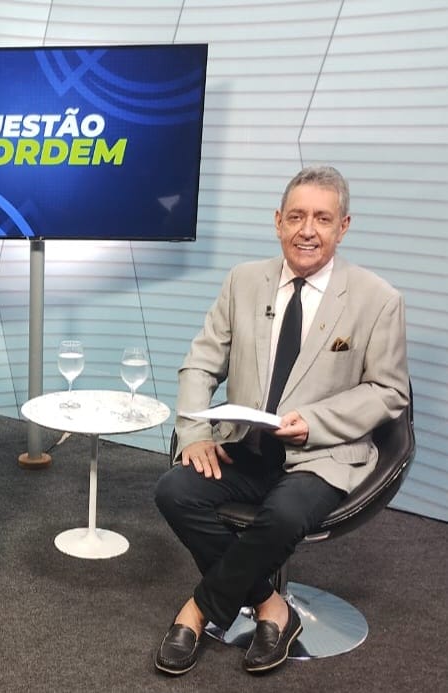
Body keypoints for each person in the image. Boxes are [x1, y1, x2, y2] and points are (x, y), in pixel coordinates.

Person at [153, 166, 409, 675]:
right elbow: (200, 363)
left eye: (321, 218)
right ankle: (272, 606)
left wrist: (315, 421)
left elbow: (390, 390)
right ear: (277, 222)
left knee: (285, 515)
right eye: (296, 216)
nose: (307, 230)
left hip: (321, 455)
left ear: (343, 226)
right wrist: (196, 433)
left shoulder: (378, 299)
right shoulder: (243, 281)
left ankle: (198, 610)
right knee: (173, 491)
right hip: (246, 446)